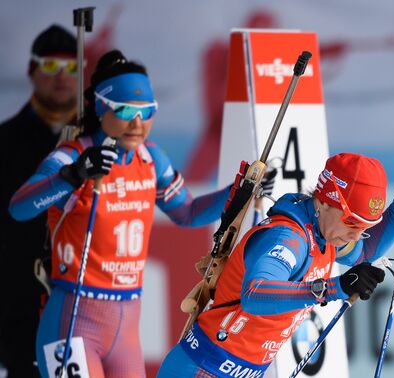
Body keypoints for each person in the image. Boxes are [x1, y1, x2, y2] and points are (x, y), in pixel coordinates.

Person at [8, 49, 241, 378]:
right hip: (73, 321)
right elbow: (19, 208)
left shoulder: (150, 159)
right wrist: (72, 176)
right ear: (101, 108)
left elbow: (187, 212)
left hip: (127, 327)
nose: (137, 123)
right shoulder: (75, 154)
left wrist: (237, 193)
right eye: (125, 111)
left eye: (147, 112)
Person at [157, 152, 394, 377]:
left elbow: (365, 251)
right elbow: (255, 294)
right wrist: (332, 287)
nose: (355, 234)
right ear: (326, 202)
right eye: (352, 222)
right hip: (205, 368)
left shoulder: (326, 235)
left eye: (365, 226)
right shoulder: (289, 237)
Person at [0, 24, 78, 377]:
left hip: (85, 299)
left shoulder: (100, 144)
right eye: (50, 66)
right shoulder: (5, 141)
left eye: (71, 67)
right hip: (19, 300)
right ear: (32, 70)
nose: (61, 77)